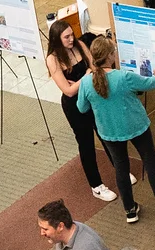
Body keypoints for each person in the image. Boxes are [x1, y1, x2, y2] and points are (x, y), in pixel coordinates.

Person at [73, 36, 155, 225]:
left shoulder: (87, 82)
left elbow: (81, 108)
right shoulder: (124, 77)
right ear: (110, 56)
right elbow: (151, 84)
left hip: (109, 131)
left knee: (121, 168)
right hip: (136, 126)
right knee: (150, 162)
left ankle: (130, 210)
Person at [43, 15, 113, 200]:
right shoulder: (53, 59)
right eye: (66, 37)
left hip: (92, 98)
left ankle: (119, 168)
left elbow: (94, 68)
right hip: (74, 107)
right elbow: (68, 90)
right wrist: (86, 77)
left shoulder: (80, 45)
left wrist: (83, 78)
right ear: (57, 39)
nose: (71, 39)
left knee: (105, 134)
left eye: (71, 35)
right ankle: (96, 185)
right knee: (86, 143)